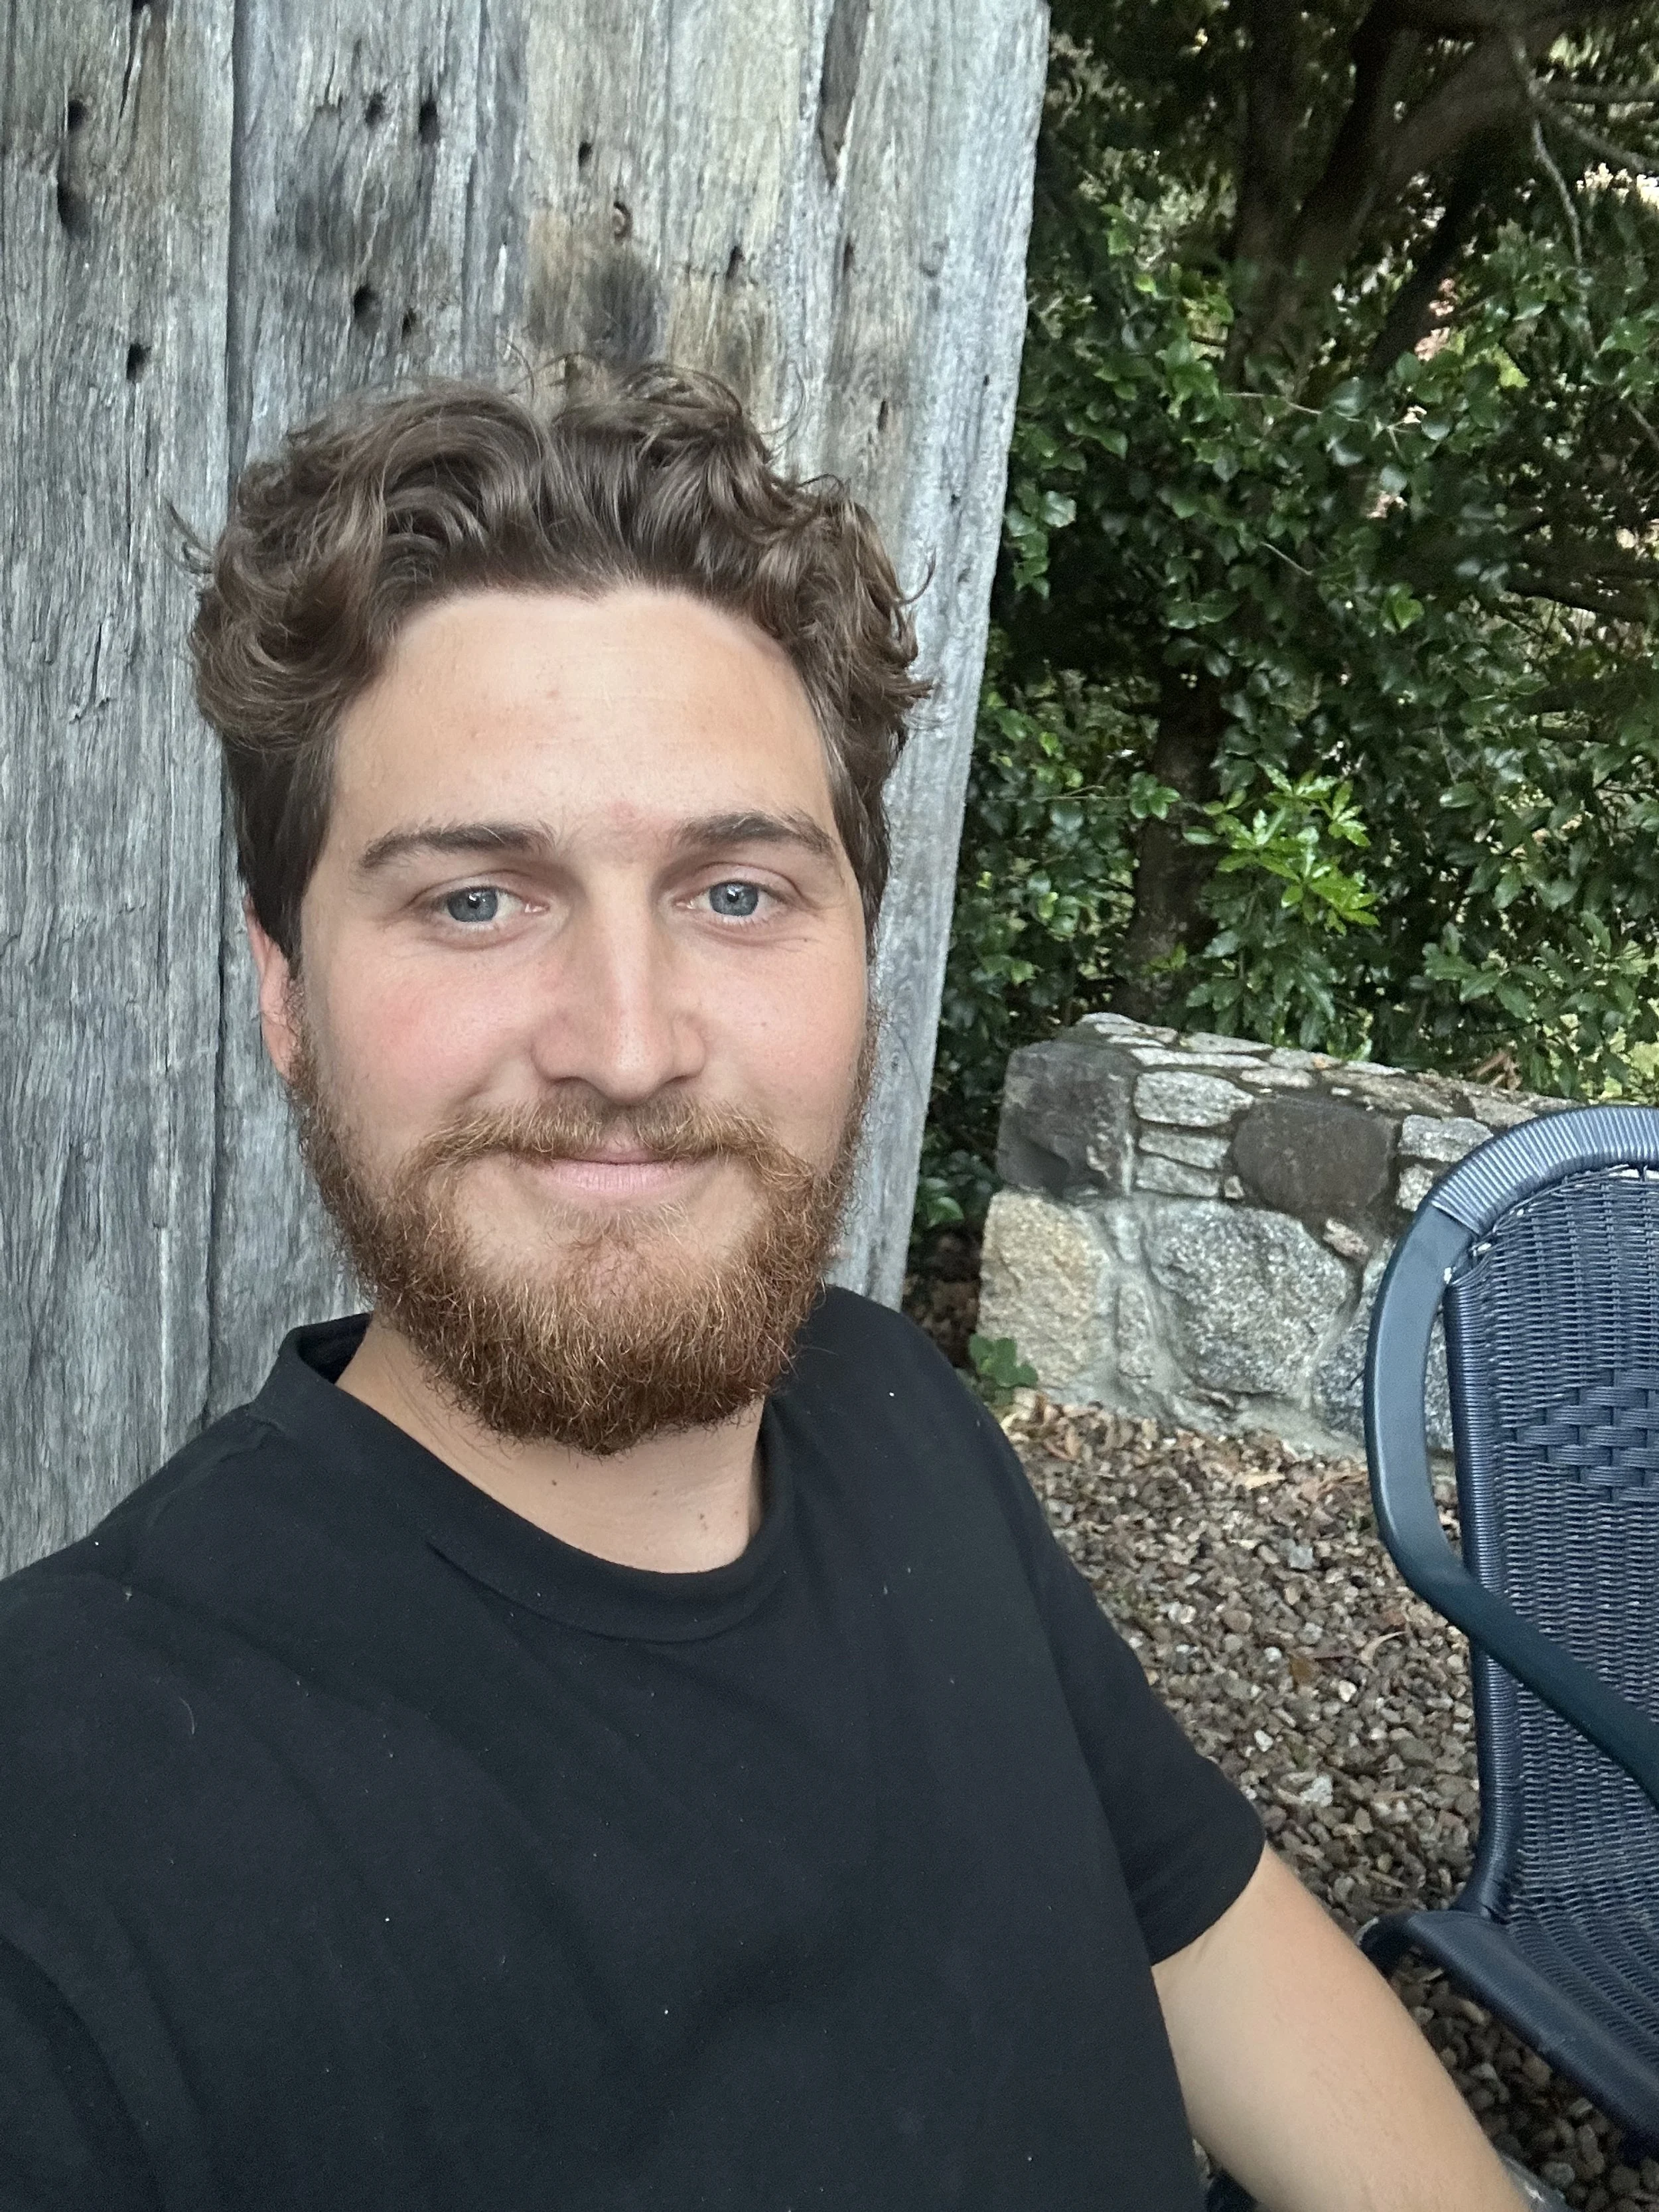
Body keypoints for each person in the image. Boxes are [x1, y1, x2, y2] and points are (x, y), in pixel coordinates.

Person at [0, 365, 1526, 2212]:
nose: (626, 1045)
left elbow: (1206, 1933)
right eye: (476, 899)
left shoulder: (896, 1415)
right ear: (282, 991)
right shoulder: (74, 1817)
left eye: (735, 892)